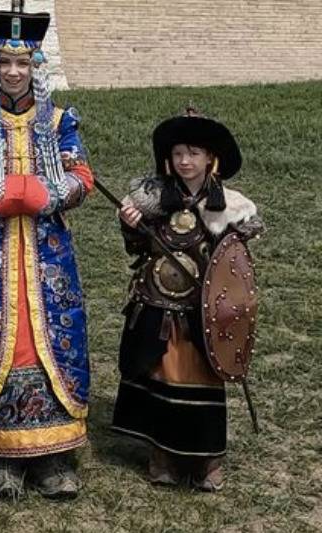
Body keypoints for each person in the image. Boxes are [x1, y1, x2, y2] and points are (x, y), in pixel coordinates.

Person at [0, 2, 95, 499]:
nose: (13, 72)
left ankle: (51, 453)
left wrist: (52, 192)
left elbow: (80, 174)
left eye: (22, 62)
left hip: (49, 253)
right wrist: (5, 194)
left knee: (49, 333)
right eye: (5, 62)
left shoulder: (60, 120)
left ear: (36, 66)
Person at [112, 108, 264, 491]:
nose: (185, 161)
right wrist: (131, 227)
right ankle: (161, 455)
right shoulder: (150, 199)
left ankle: (208, 460)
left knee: (202, 378)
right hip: (158, 303)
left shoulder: (231, 206)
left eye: (194, 153)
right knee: (159, 376)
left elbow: (234, 264)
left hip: (201, 312)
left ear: (210, 158)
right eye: (178, 153)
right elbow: (137, 248)